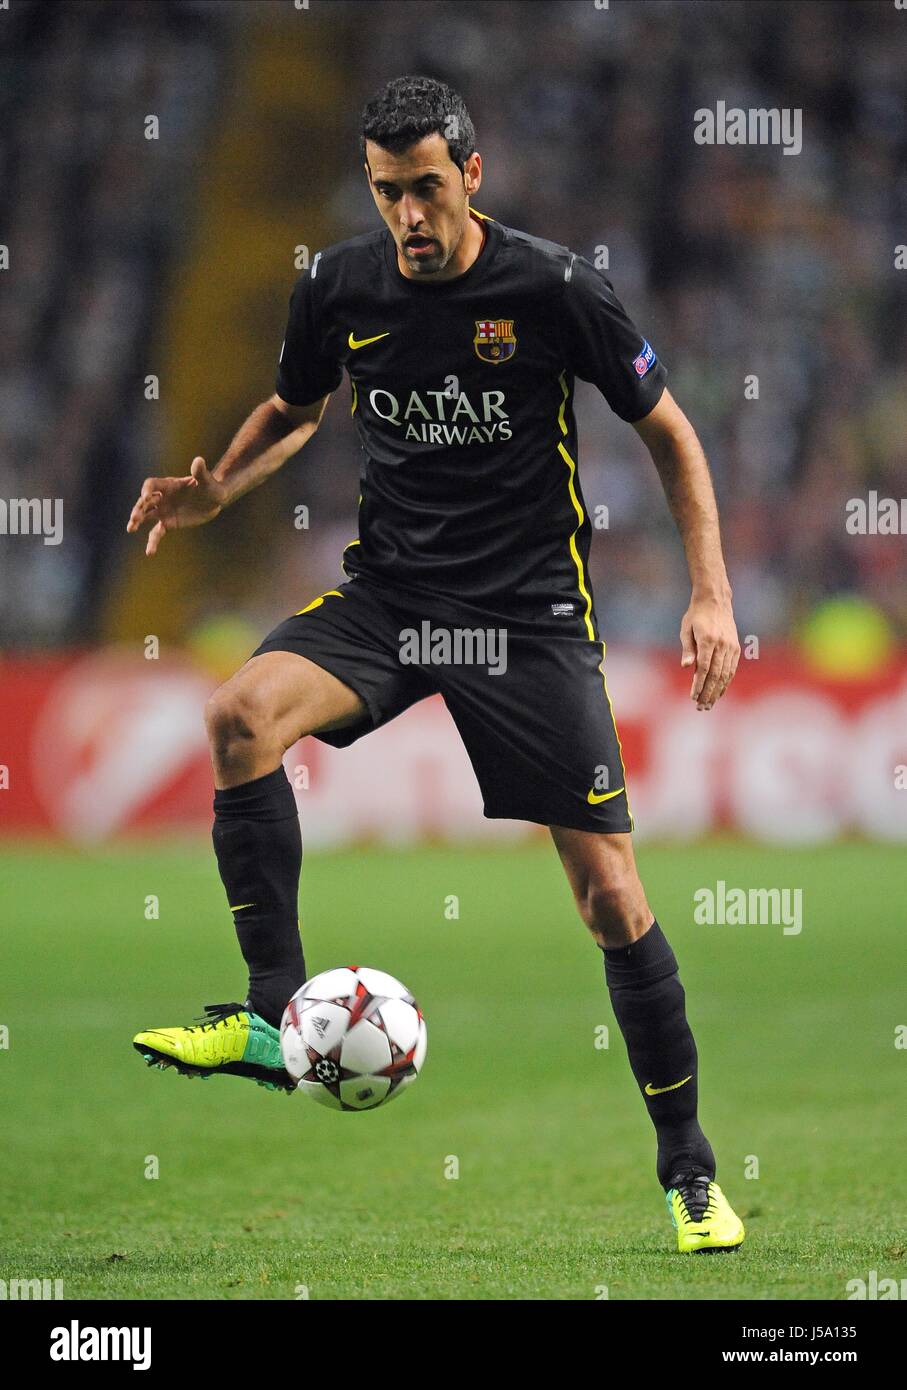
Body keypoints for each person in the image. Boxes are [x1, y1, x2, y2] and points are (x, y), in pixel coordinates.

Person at [127, 75, 743, 1254]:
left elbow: (667, 430)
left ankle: (690, 1175)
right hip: (395, 596)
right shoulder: (340, 284)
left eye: (422, 187)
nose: (405, 214)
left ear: (470, 174)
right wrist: (217, 485)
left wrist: (710, 594)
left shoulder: (556, 287)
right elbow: (294, 406)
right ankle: (271, 1020)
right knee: (238, 715)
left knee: (610, 897)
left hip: (527, 617)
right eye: (383, 191)